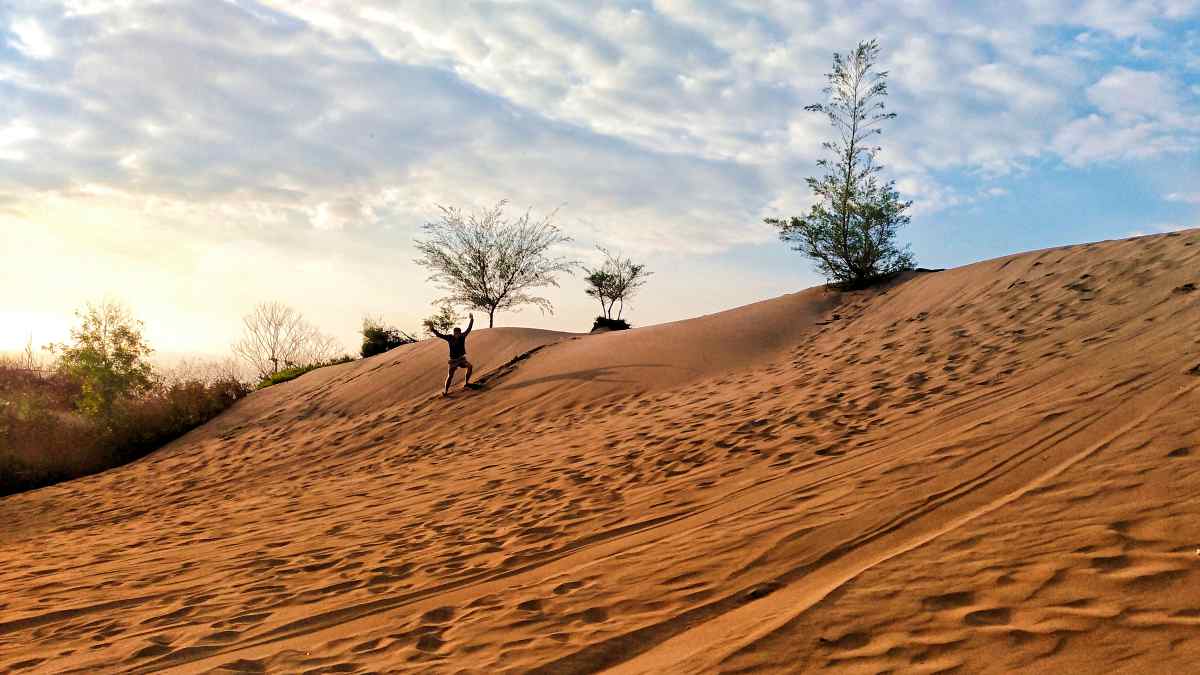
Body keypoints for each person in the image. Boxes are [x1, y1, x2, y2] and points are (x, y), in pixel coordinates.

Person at [431, 313, 474, 395]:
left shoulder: (462, 336)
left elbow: (469, 329)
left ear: (460, 333)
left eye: (458, 333)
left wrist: (471, 319)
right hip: (453, 360)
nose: (457, 335)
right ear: (454, 333)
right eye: (456, 333)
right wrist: (432, 329)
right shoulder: (449, 338)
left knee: (470, 366)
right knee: (450, 376)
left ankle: (467, 383)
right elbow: (439, 335)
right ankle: (446, 391)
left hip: (461, 359)